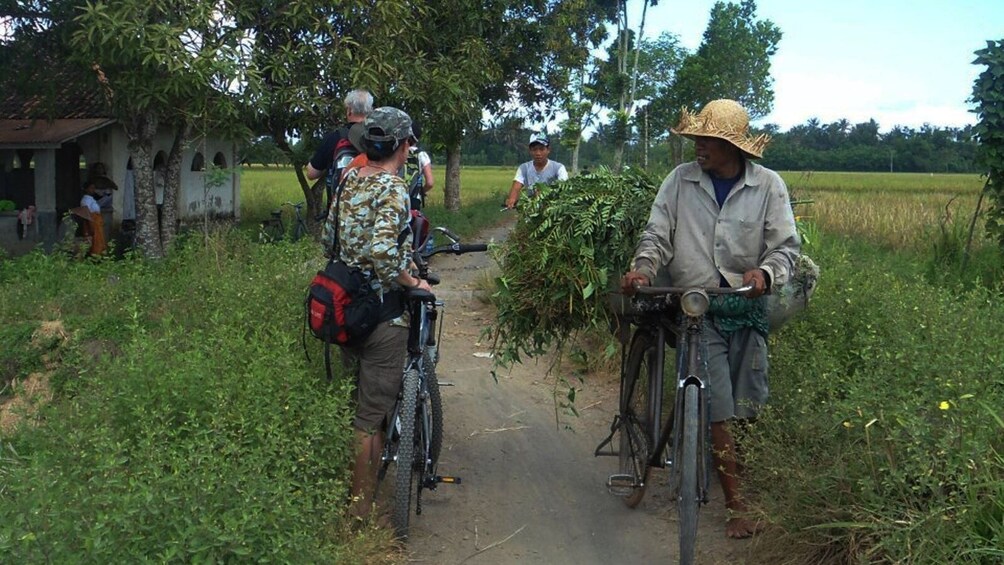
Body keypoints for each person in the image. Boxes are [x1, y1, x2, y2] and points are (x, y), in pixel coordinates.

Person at [619, 99, 800, 539]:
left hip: (745, 306)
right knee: (717, 405)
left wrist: (766, 272)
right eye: (697, 138)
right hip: (696, 304)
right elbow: (657, 233)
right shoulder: (680, 181)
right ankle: (736, 506)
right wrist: (644, 267)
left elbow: (786, 247)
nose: (698, 146)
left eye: (708, 140)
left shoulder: (768, 186)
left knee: (750, 404)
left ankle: (739, 480)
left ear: (731, 146)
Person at [320, 106, 432, 524]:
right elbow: (386, 255)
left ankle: (354, 495)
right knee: (369, 419)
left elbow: (329, 238)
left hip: (348, 310)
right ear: (403, 145)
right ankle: (360, 513)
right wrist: (412, 282)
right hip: (383, 315)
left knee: (356, 407)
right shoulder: (393, 187)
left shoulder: (349, 178)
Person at [307, 89, 373, 206]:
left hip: (339, 214)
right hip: (372, 213)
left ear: (349, 111)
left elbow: (311, 174)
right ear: (370, 111)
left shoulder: (334, 137)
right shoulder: (378, 137)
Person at [504, 132, 568, 209]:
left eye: (541, 149)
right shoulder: (524, 168)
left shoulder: (559, 168)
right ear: (530, 151)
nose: (538, 153)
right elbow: (516, 186)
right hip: (530, 209)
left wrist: (545, 194)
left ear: (548, 150)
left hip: (553, 209)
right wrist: (512, 199)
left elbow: (564, 188)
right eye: (534, 150)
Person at [79, 180, 107, 255]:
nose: (93, 190)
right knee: (95, 239)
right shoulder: (85, 200)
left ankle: (99, 254)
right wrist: (91, 224)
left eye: (94, 188)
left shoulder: (92, 199)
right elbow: (87, 213)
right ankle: (95, 254)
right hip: (92, 221)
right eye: (91, 188)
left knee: (99, 238)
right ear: (86, 189)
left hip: (97, 221)